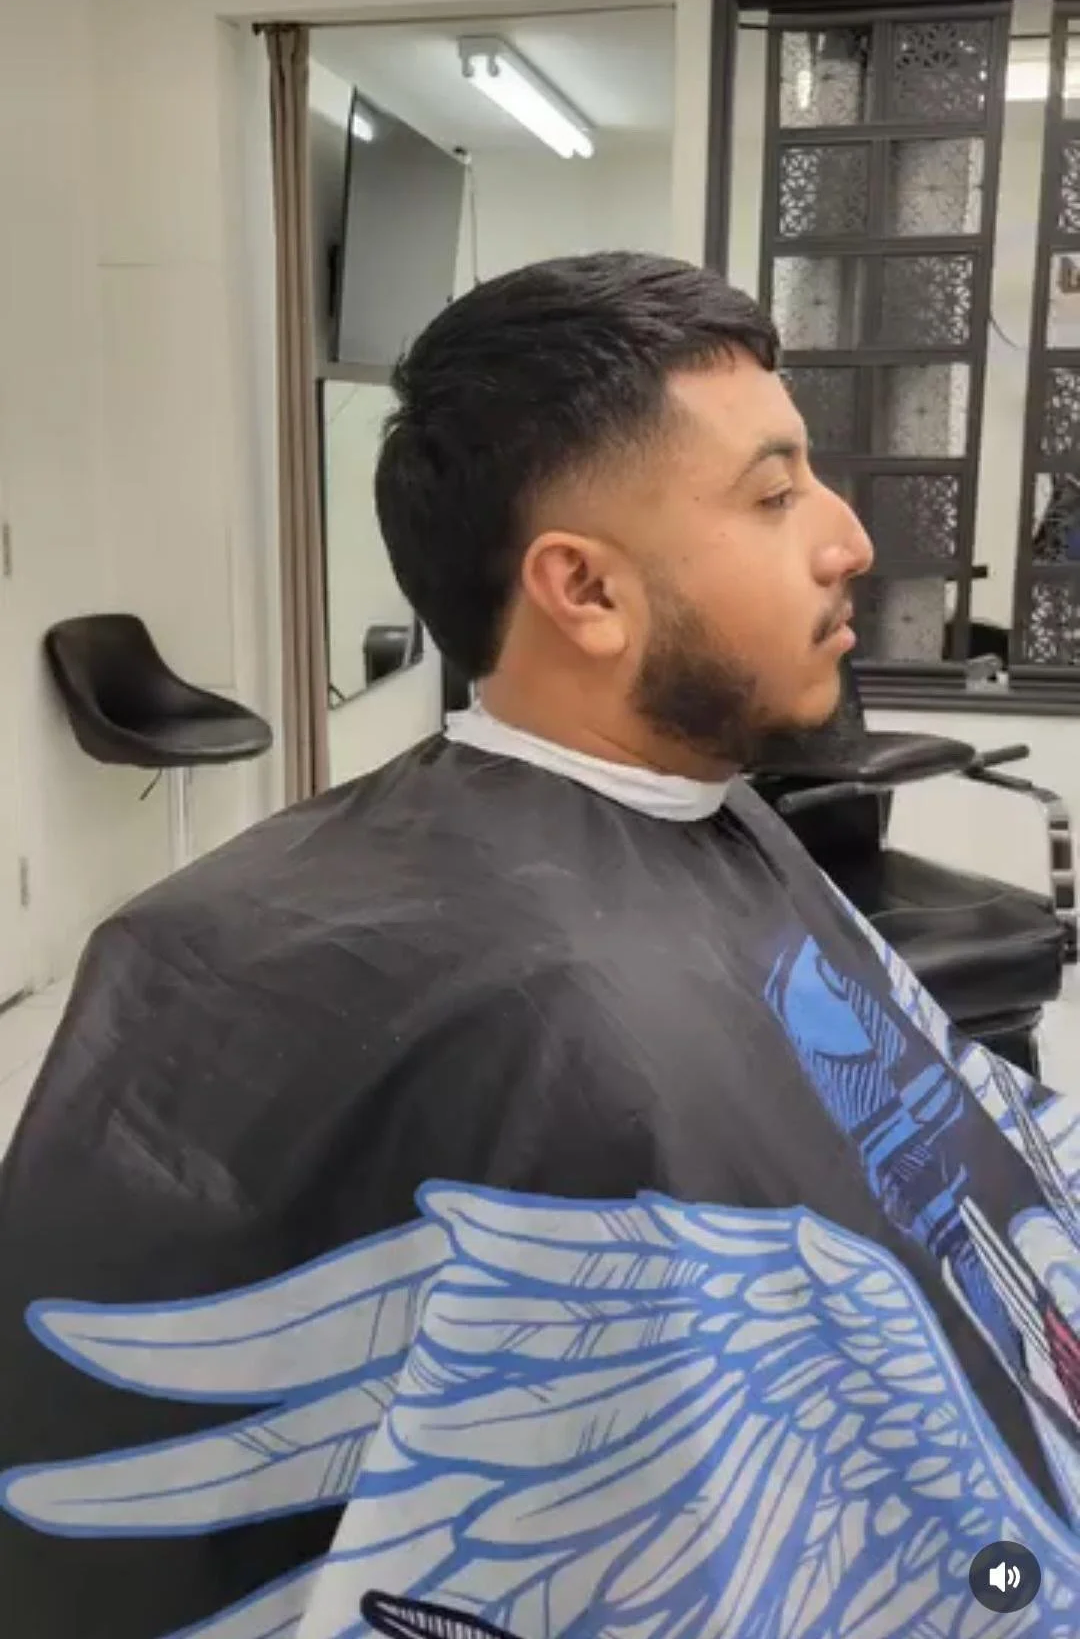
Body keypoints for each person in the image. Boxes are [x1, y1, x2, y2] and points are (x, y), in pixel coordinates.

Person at [0, 253, 1077, 1639]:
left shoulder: (718, 819)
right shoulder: (406, 980)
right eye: (775, 491)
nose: (848, 538)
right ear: (584, 590)